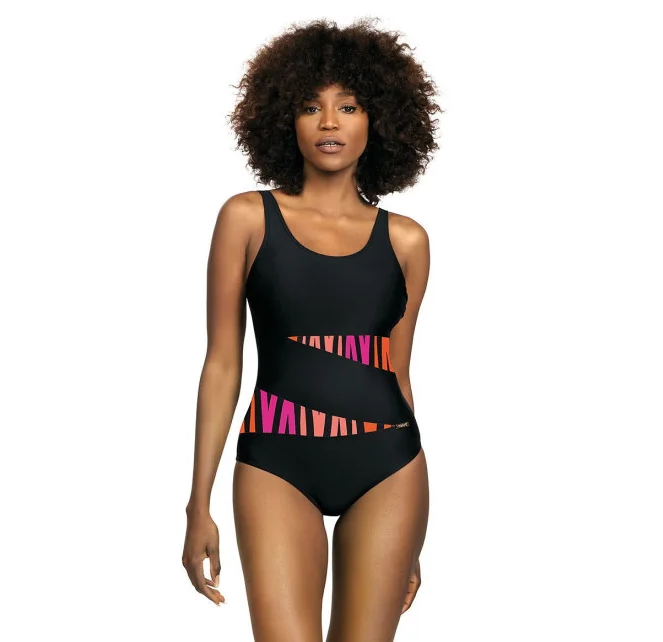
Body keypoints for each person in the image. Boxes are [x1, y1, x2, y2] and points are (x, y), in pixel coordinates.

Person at [183, 16, 442, 641]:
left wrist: (411, 539)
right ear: (284, 120)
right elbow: (222, 363)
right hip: (277, 462)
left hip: (388, 466)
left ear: (379, 119)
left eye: (348, 106)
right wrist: (198, 503)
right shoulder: (247, 218)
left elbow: (398, 374)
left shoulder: (407, 241)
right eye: (310, 107)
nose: (329, 123)